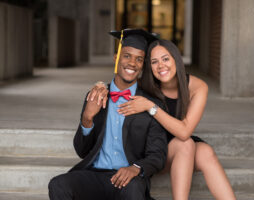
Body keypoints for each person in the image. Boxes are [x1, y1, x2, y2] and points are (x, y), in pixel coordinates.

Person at [90, 39, 236, 200]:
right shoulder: (144, 85)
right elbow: (119, 84)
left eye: (165, 59)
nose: (161, 66)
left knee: (204, 151)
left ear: (176, 59)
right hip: (151, 151)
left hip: (179, 141)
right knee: (186, 144)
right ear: (149, 66)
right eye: (154, 62)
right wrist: (101, 86)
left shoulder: (197, 87)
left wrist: (150, 107)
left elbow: (184, 131)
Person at [48, 29, 168, 200]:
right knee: (58, 185)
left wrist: (135, 168)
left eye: (139, 59)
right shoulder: (96, 96)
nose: (132, 63)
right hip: (95, 175)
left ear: (143, 65)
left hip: (128, 179)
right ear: (116, 58)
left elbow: (158, 155)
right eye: (127, 56)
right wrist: (87, 119)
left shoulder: (150, 104)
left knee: (134, 191)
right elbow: (82, 151)